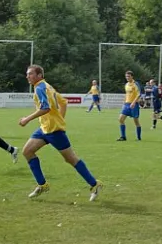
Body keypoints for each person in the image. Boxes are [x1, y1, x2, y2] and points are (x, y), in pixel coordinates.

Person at [19, 65, 102, 201]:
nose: (27, 76)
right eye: (27, 74)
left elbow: (45, 108)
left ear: (39, 75)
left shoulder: (40, 87)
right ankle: (42, 185)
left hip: (54, 131)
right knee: (27, 151)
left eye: (30, 74)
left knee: (71, 159)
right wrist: (59, 119)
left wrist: (26, 119)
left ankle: (95, 184)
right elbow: (63, 103)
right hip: (45, 128)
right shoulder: (47, 86)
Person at [118, 70, 141, 141]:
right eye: (126, 76)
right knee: (120, 119)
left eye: (128, 76)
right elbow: (127, 94)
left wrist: (134, 102)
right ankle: (123, 136)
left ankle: (138, 137)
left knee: (136, 121)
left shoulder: (135, 84)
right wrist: (124, 102)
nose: (127, 77)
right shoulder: (126, 85)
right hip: (126, 104)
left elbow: (139, 94)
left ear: (132, 76)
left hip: (134, 104)